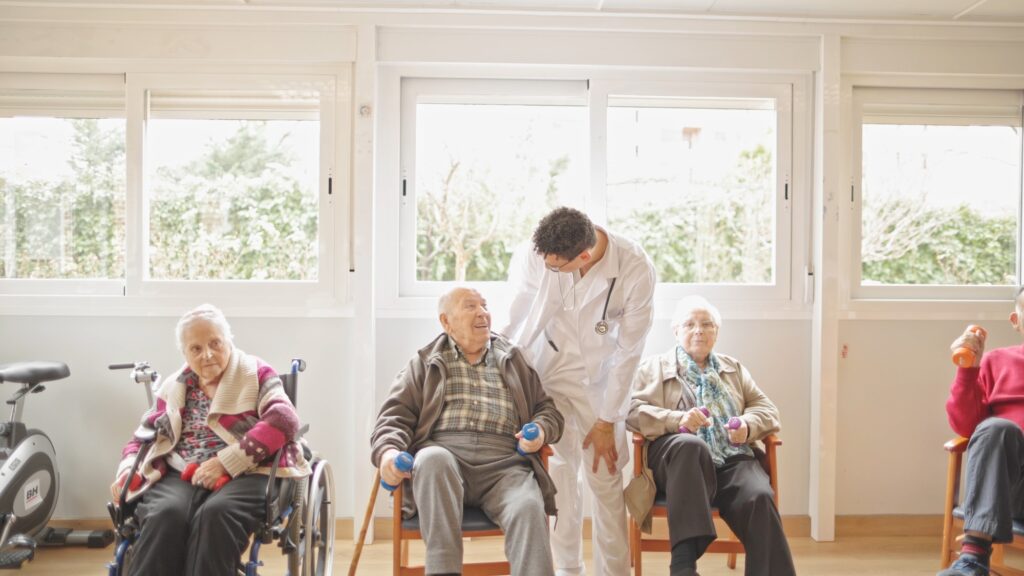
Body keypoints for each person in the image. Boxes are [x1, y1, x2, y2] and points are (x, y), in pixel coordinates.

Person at [502, 206, 655, 576]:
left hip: (601, 385)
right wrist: (506, 380)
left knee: (605, 482)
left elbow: (629, 352)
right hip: (548, 378)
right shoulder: (535, 255)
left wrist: (606, 420)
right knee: (560, 483)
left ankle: (613, 573)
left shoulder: (634, 268)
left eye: (557, 266)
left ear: (584, 255)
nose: (549, 269)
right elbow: (516, 318)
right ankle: (569, 570)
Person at [371, 287, 564, 576]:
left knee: (527, 506)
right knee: (432, 459)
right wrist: (388, 454)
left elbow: (547, 411)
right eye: (470, 306)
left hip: (505, 466)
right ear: (446, 322)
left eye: (484, 305)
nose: (482, 312)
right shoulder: (425, 362)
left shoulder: (513, 359)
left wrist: (540, 432)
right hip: (445, 461)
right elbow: (393, 418)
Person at [109, 304, 310, 576]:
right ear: (185, 353)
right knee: (165, 515)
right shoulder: (175, 386)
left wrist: (226, 462)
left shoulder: (255, 373)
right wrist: (126, 472)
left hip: (250, 471)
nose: (207, 354)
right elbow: (142, 436)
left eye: (215, 343)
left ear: (229, 340)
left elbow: (285, 419)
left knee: (215, 515)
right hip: (182, 472)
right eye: (196, 348)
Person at [626, 296, 795, 576]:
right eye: (689, 324)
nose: (699, 331)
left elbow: (767, 408)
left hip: (731, 459)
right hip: (677, 463)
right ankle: (683, 566)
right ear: (676, 331)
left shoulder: (733, 369)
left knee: (759, 496)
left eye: (707, 324)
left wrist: (746, 425)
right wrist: (677, 419)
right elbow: (631, 411)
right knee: (691, 445)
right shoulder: (653, 368)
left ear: (716, 332)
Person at [939, 287, 1024, 576]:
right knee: (995, 428)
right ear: (1016, 320)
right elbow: (967, 428)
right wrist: (968, 370)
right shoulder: (996, 362)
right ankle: (972, 561)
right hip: (1009, 485)